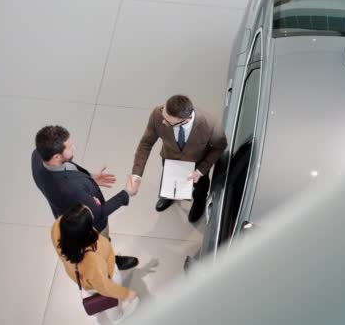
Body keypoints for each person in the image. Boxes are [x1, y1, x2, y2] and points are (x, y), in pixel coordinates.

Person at [32, 125, 139, 270]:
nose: (74, 147)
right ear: (56, 156)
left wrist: (89, 178)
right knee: (101, 243)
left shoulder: (37, 156)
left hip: (68, 212)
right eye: (69, 147)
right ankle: (109, 262)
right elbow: (98, 214)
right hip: (90, 226)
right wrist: (126, 193)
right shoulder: (71, 189)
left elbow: (66, 166)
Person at [131, 94, 227, 222]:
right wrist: (136, 175)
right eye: (163, 115)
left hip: (197, 164)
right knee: (169, 181)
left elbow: (220, 147)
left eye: (168, 121)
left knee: (200, 187)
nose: (163, 121)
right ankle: (169, 195)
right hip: (169, 158)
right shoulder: (157, 114)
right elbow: (146, 143)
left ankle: (199, 202)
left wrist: (200, 171)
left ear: (185, 120)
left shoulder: (211, 125)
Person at [52, 203, 139, 323]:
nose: (90, 209)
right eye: (89, 216)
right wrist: (126, 294)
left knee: (91, 290)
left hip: (82, 278)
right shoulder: (93, 261)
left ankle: (97, 307)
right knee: (111, 301)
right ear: (84, 233)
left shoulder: (57, 227)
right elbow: (106, 288)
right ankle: (118, 318)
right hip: (105, 275)